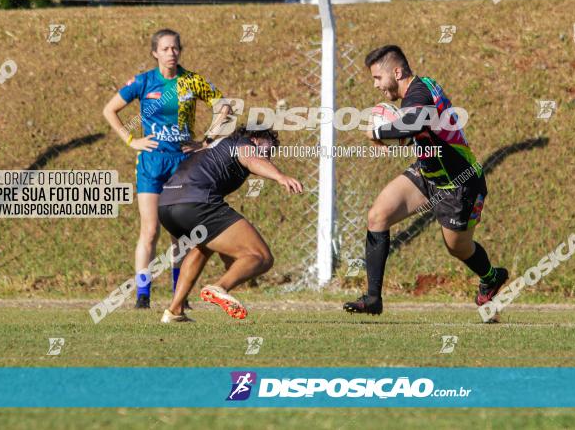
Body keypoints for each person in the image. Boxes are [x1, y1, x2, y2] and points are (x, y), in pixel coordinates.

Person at [343, 45, 508, 315]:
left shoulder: (418, 93)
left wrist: (378, 130)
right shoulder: (419, 89)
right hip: (427, 171)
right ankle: (373, 298)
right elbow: (417, 129)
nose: (376, 85)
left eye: (377, 78)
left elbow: (415, 124)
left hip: (460, 183)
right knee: (378, 216)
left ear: (396, 72)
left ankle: (491, 277)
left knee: (458, 247)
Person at [102, 28, 232, 309]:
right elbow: (109, 110)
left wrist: (206, 141)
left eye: (175, 48)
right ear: (155, 53)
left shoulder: (192, 81)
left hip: (182, 165)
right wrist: (131, 140)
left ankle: (179, 297)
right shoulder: (144, 81)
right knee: (149, 231)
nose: (171, 53)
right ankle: (143, 295)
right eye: (165, 49)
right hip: (151, 163)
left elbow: (224, 106)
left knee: (181, 235)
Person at [157, 125, 303, 322]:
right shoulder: (242, 144)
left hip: (166, 206)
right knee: (261, 257)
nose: (268, 156)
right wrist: (280, 176)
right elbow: (251, 158)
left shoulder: (213, 148)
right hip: (197, 203)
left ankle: (174, 310)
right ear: (255, 138)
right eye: (268, 149)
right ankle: (219, 288)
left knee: (203, 247)